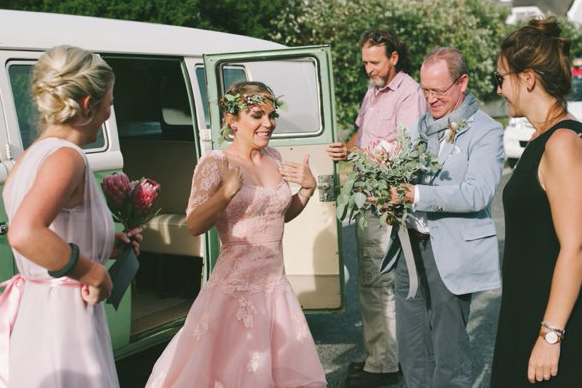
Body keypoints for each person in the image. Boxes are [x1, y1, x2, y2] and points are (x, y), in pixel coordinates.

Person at [146, 81, 326, 388]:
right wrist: (226, 193)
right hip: (236, 290)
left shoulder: (274, 157)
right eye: (258, 116)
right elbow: (194, 225)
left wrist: (307, 191)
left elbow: (278, 217)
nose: (268, 124)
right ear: (233, 120)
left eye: (272, 115)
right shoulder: (215, 163)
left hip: (275, 288)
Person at [0, 45, 141, 387]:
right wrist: (92, 272)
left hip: (37, 310)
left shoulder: (29, 157)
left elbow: (53, 230)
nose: (108, 113)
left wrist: (108, 246)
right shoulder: (67, 157)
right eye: (109, 104)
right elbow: (25, 233)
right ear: (88, 104)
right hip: (62, 318)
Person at [382, 47, 504, 387]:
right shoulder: (416, 129)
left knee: (449, 351)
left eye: (439, 90)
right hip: (409, 249)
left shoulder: (485, 131)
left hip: (450, 250)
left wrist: (416, 195)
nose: (430, 98)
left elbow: (477, 193)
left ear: (462, 82)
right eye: (425, 90)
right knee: (412, 347)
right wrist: (388, 199)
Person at [326, 29, 426, 387]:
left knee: (380, 281)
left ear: (394, 57)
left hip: (387, 204)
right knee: (371, 281)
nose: (368, 68)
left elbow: (404, 151)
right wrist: (345, 148)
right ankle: (378, 357)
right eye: (365, 61)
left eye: (374, 61)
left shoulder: (409, 94)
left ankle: (384, 366)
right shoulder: (373, 91)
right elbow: (361, 134)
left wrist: (355, 153)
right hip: (367, 198)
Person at [490, 18, 582, 387]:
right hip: (525, 310)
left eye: (501, 78)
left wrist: (550, 336)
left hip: (551, 322)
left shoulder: (562, 143)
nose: (499, 90)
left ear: (527, 78)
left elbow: (575, 246)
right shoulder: (542, 137)